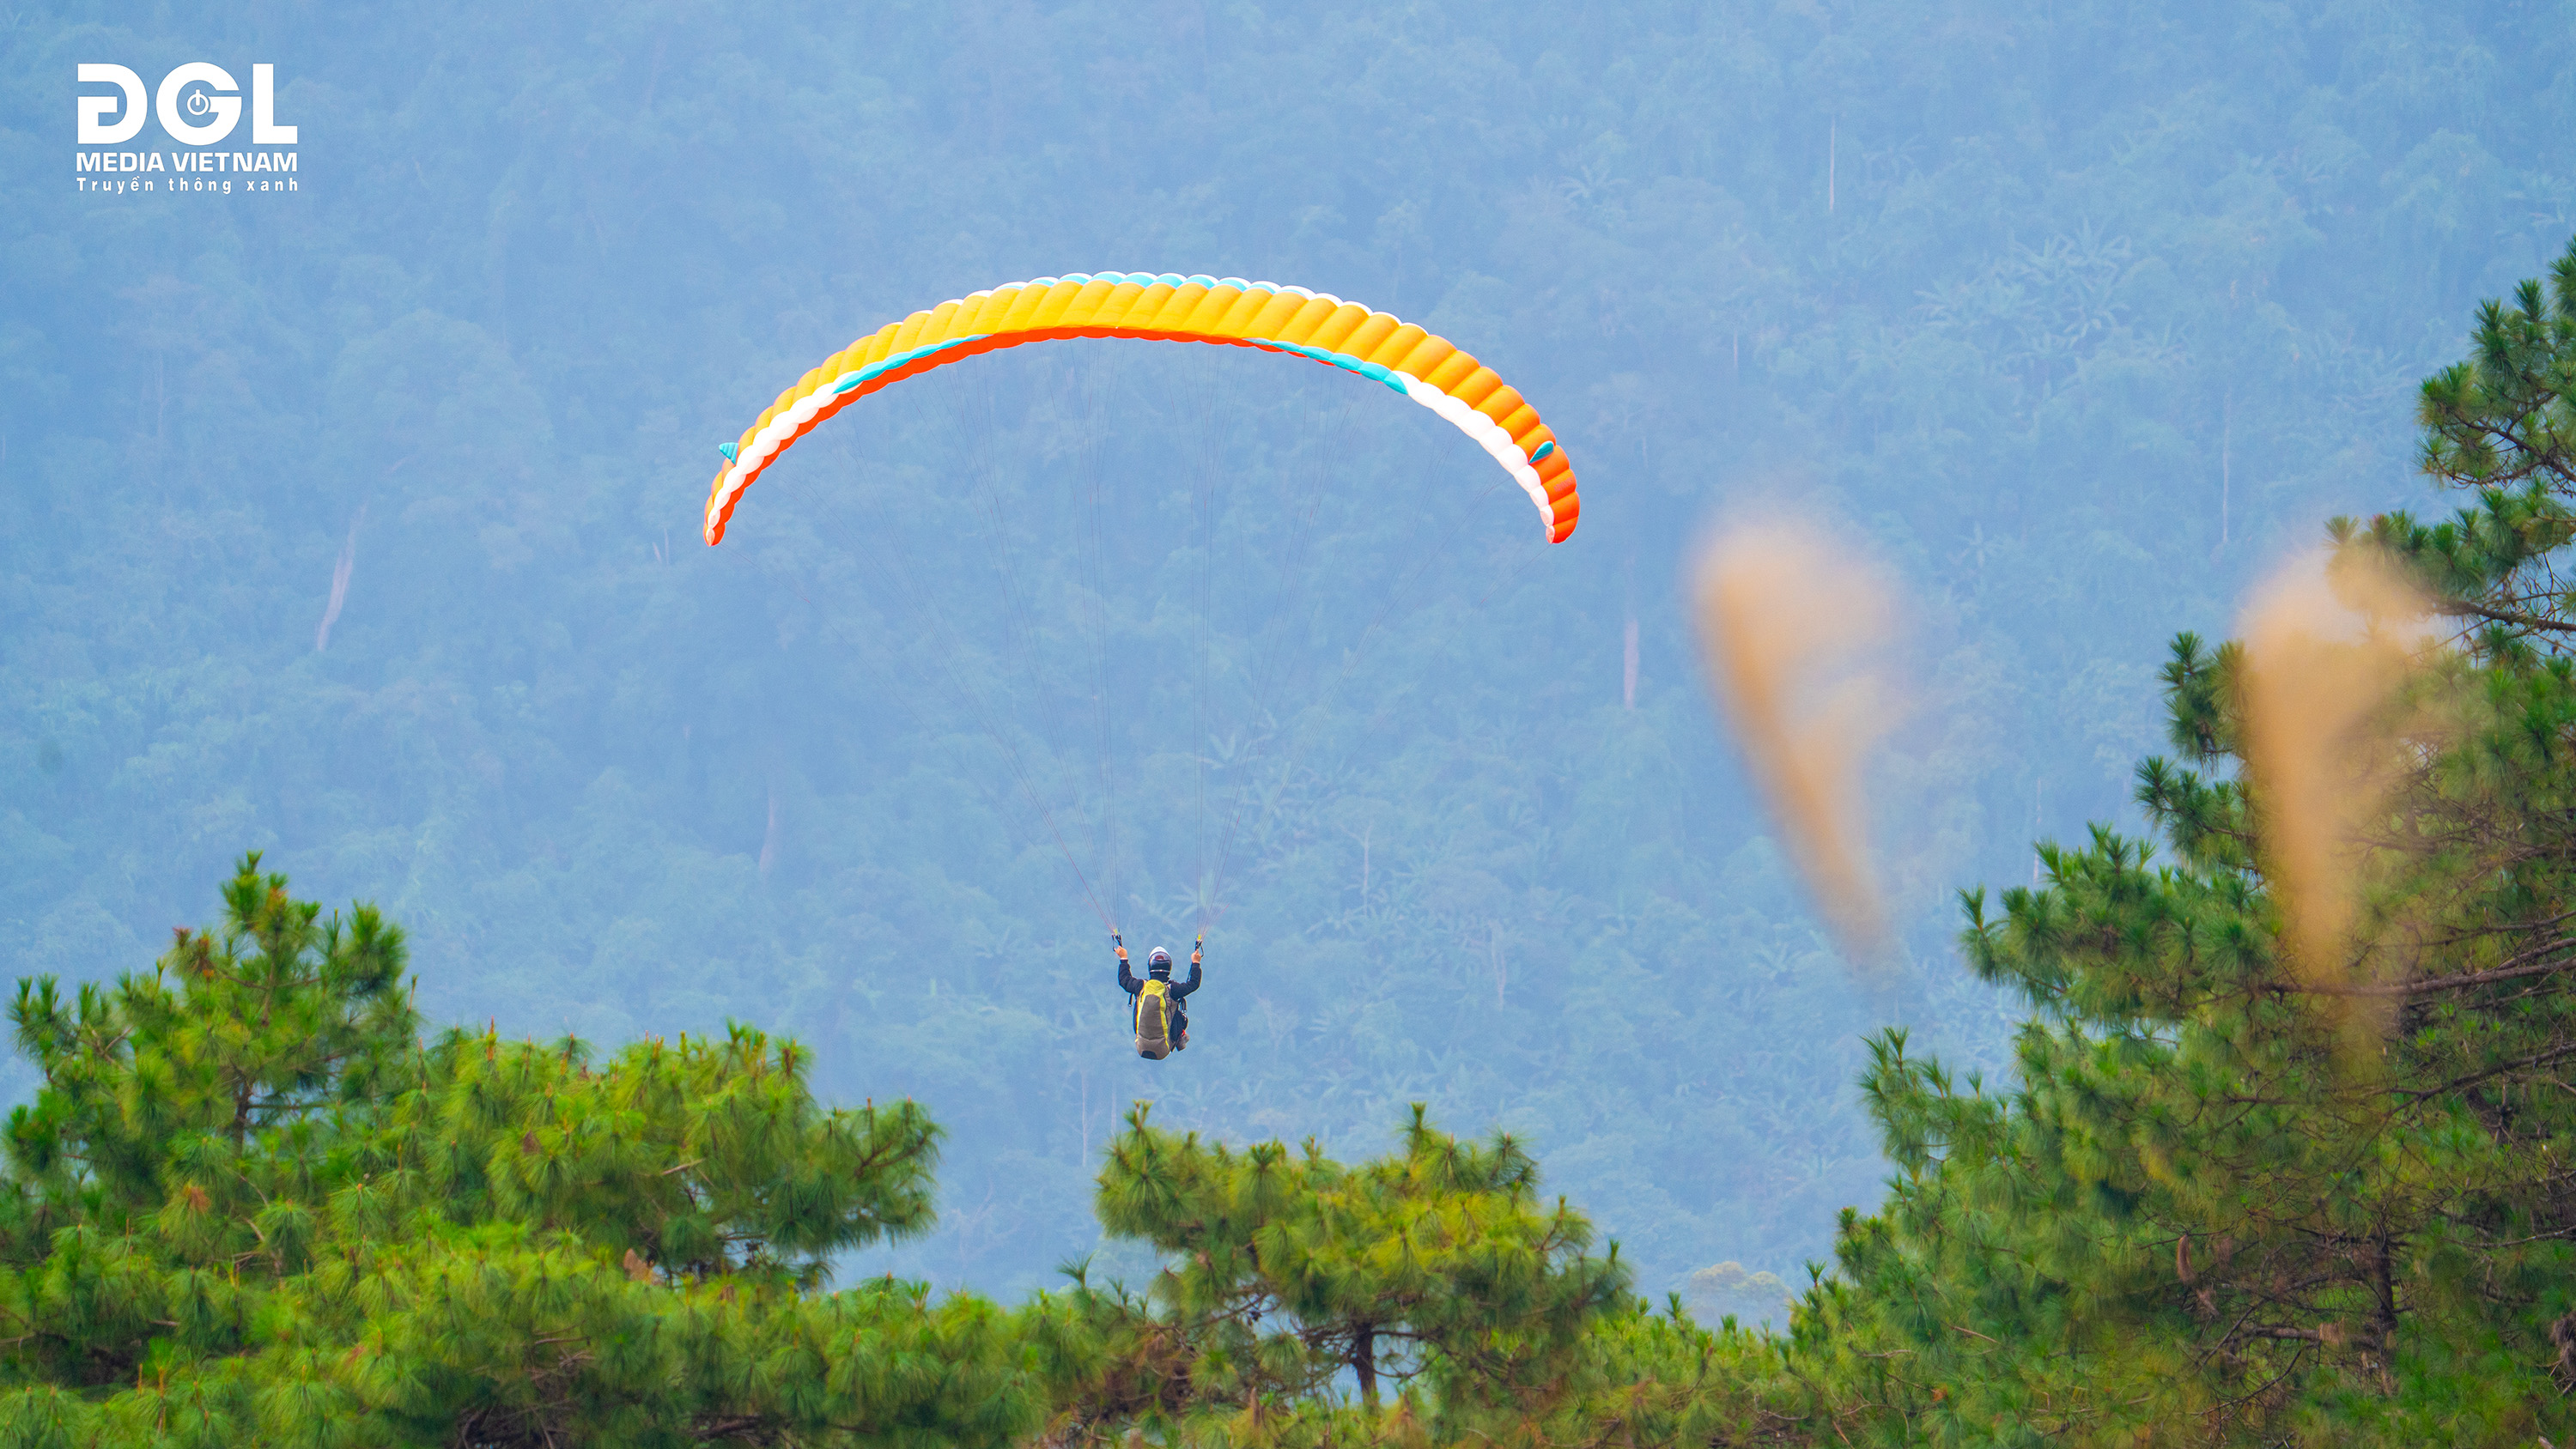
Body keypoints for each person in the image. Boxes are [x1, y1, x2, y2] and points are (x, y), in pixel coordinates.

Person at [1115, 931, 1201, 1058]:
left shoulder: (1141, 987)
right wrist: (1196, 962)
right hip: (1163, 1049)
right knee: (1179, 1013)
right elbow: (1193, 983)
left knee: (1139, 1004)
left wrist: (1123, 959)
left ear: (1150, 966)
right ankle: (1181, 1038)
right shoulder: (1173, 990)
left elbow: (1124, 980)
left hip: (1141, 1047)